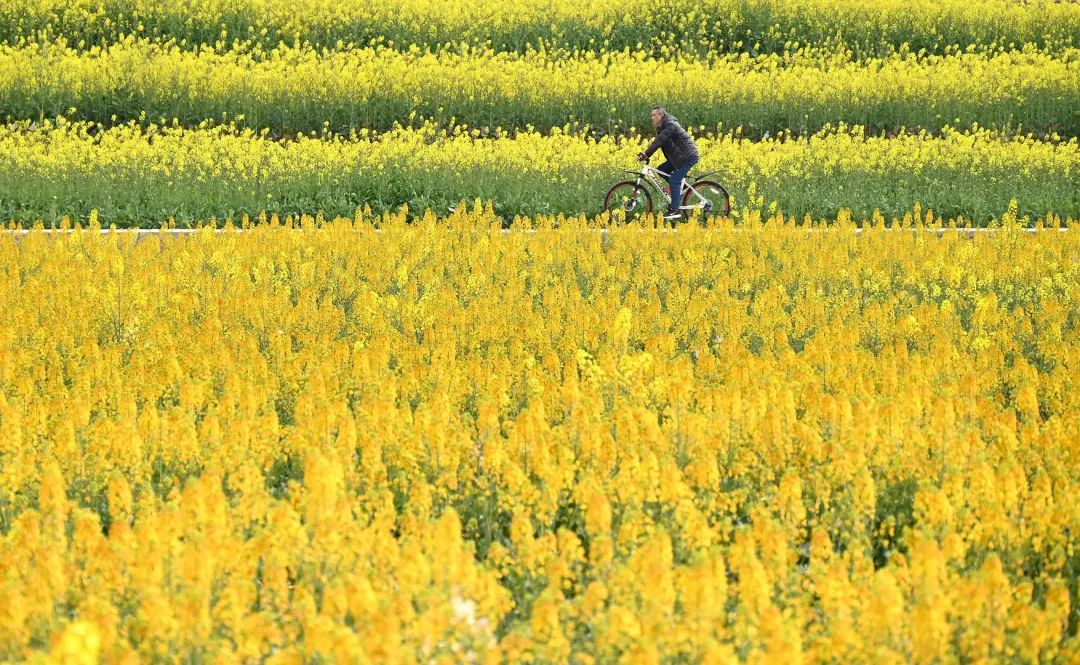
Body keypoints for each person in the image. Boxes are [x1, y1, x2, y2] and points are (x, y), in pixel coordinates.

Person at [638, 106, 700, 220]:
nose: (652, 118)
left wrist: (646, 154)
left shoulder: (670, 125)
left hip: (687, 156)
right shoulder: (662, 126)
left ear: (661, 115)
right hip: (679, 156)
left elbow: (659, 141)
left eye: (654, 115)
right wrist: (647, 154)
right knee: (662, 170)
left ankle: (674, 210)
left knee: (674, 180)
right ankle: (682, 189)